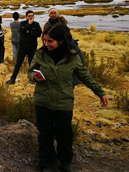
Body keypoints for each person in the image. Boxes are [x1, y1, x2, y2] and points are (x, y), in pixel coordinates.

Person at [28, 24, 108, 172]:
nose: (46, 44)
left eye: (50, 41)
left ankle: (65, 162)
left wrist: (100, 92)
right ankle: (47, 164)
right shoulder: (40, 54)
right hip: (42, 101)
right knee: (45, 135)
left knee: (64, 135)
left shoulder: (72, 56)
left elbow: (85, 75)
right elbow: (30, 72)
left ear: (61, 41)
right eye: (44, 40)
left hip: (64, 102)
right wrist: (34, 76)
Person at [6, 10, 42, 84]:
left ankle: (32, 79)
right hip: (23, 47)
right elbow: (22, 31)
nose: (31, 17)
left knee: (32, 64)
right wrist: (29, 24)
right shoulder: (22, 23)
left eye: (32, 15)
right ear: (26, 17)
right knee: (18, 63)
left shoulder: (36, 24)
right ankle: (12, 79)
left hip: (32, 47)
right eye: (29, 16)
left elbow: (38, 34)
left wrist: (30, 32)